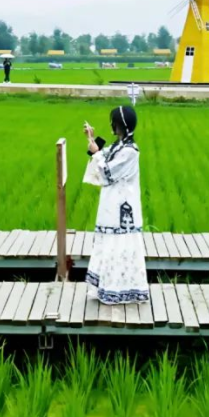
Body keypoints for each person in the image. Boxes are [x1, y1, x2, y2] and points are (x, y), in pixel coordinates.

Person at [82, 106, 148, 305]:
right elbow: (102, 154)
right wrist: (91, 139)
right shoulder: (119, 145)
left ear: (120, 125)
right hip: (112, 203)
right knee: (111, 244)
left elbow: (108, 172)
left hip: (122, 207)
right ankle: (108, 287)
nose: (111, 125)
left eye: (114, 122)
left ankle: (121, 290)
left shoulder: (130, 151)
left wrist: (96, 153)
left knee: (120, 244)